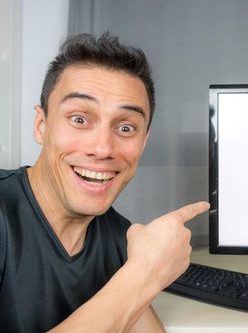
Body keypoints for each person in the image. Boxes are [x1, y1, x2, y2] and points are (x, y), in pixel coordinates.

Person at [0, 32, 209, 332]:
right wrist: (144, 274)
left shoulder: (118, 238)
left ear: (143, 142)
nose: (103, 148)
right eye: (79, 119)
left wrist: (142, 270)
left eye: (126, 127)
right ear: (41, 125)